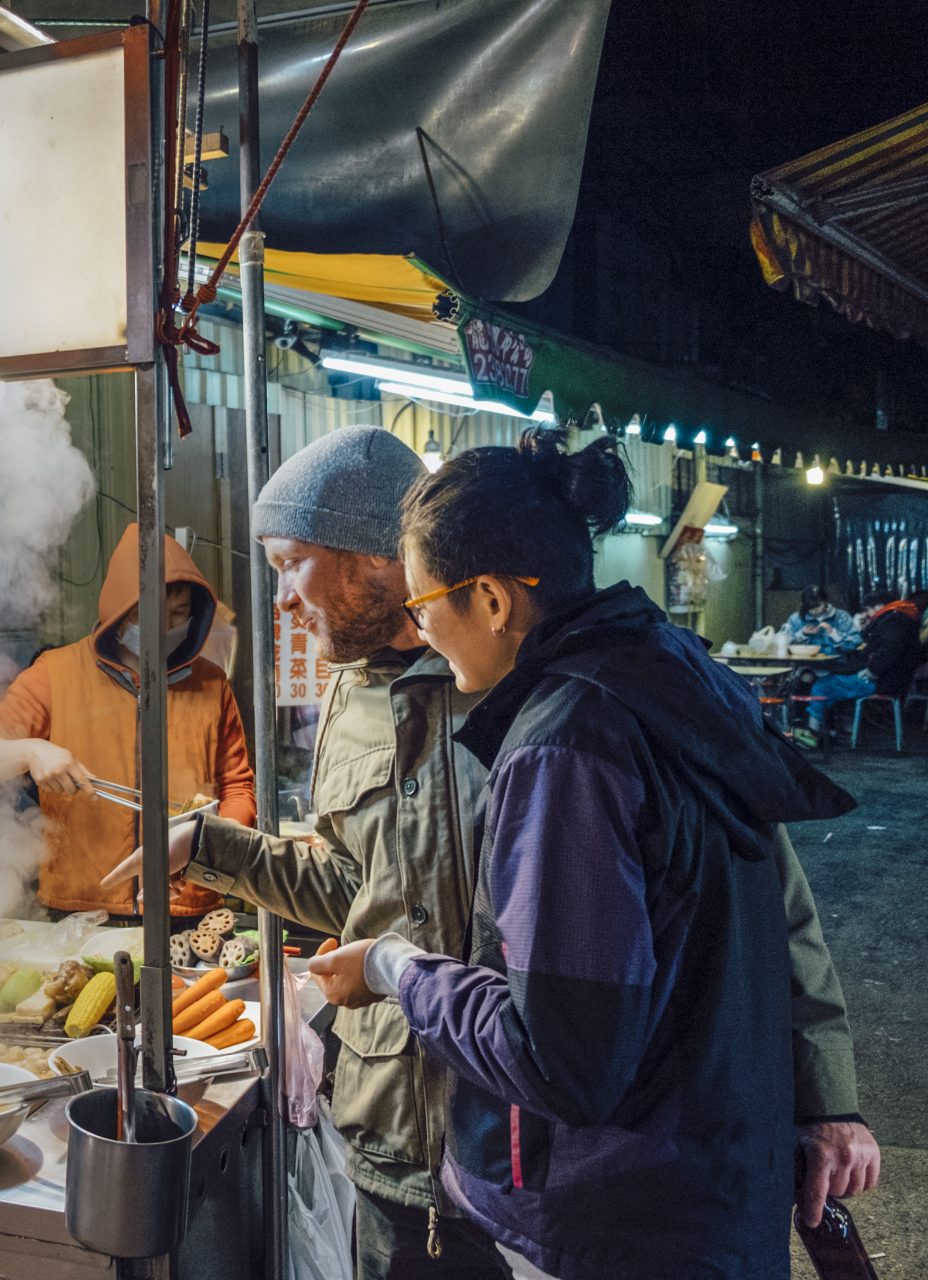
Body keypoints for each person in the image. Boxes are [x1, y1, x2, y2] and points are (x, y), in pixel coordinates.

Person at [105, 425, 874, 1279]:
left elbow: (765, 901)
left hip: (556, 1152)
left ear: (380, 560)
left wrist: (824, 1096)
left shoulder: (556, 693)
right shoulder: (351, 698)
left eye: (291, 562)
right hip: (400, 1131)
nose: (280, 597)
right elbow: (366, 891)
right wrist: (209, 847)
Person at [0, 527, 255, 917]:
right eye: (147, 615)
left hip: (186, 905)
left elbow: (237, 787)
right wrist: (31, 750)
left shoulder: (211, 683)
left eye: (178, 615)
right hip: (80, 904)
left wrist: (209, 848)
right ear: (120, 609)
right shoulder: (56, 673)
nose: (164, 629)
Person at [795, 592, 927, 746]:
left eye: (868, 610)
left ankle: (812, 734)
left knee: (823, 685)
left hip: (882, 682)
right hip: (893, 680)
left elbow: (889, 650)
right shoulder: (902, 617)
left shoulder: (895, 619)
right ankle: (828, 733)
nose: (867, 614)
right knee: (829, 688)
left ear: (878, 606)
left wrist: (872, 672)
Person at [782, 584, 861, 655]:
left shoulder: (841, 616)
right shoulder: (796, 619)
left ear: (825, 601)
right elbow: (781, 644)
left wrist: (833, 633)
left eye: (818, 605)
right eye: (810, 607)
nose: (814, 610)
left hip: (837, 666)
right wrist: (802, 634)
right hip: (807, 666)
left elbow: (857, 641)